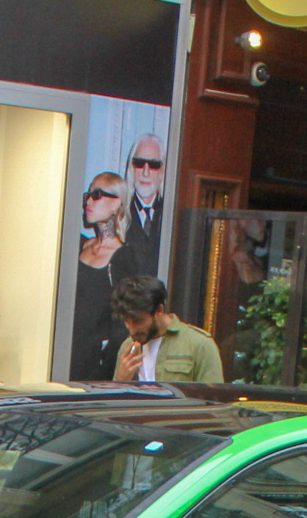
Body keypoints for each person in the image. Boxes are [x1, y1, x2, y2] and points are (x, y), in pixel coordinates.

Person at [69, 172, 129, 381]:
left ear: (117, 204)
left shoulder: (122, 257)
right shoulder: (79, 245)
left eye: (97, 195)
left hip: (92, 368)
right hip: (62, 354)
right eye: (88, 195)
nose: (88, 201)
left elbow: (122, 326)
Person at [110, 275, 221, 385]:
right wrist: (121, 379)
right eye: (126, 322)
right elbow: (116, 400)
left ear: (159, 309)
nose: (133, 330)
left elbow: (213, 398)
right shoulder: (127, 347)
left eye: (138, 321)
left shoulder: (199, 344)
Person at [117, 132, 165, 282]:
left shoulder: (172, 216)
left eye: (154, 165)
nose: (145, 172)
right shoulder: (117, 213)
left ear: (162, 171)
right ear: (132, 168)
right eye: (139, 163)